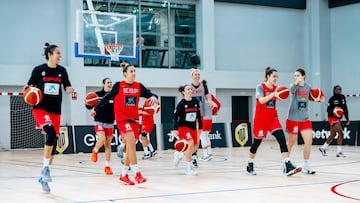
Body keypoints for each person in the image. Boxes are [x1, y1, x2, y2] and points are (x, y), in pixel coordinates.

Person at [91, 62, 158, 185]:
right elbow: (106, 97)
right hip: (122, 119)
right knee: (131, 141)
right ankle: (137, 173)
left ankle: (123, 174)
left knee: (129, 148)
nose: (133, 73)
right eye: (131, 71)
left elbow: (150, 95)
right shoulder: (119, 85)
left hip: (135, 120)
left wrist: (154, 97)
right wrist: (95, 109)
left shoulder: (139, 86)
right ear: (125, 74)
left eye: (134, 71)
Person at [26, 43, 74, 193]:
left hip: (55, 110)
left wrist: (69, 89)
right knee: (51, 133)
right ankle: (46, 168)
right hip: (40, 108)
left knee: (52, 142)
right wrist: (29, 92)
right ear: (50, 54)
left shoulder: (62, 71)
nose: (60, 56)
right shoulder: (38, 70)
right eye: (58, 53)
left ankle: (43, 175)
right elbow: (28, 87)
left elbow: (67, 86)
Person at [246, 67, 301, 176]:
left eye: (277, 77)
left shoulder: (277, 88)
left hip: (273, 118)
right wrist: (273, 95)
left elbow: (284, 94)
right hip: (261, 119)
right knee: (256, 143)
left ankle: (287, 164)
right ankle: (249, 163)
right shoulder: (260, 87)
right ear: (268, 76)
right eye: (274, 76)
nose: (276, 78)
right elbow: (261, 101)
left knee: (281, 138)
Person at [286, 68, 324, 175]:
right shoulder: (293, 86)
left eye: (298, 75)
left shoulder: (308, 87)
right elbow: (291, 90)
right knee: (291, 143)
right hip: (293, 119)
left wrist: (319, 99)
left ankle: (306, 166)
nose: (296, 77)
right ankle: (285, 162)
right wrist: (295, 83)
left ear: (303, 76)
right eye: (294, 76)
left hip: (305, 119)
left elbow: (311, 97)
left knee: (309, 142)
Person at [172, 85, 202, 176]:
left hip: (193, 127)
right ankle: (189, 169)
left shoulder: (196, 101)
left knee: (194, 148)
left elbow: (198, 116)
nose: (190, 91)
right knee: (190, 142)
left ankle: (179, 153)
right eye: (188, 89)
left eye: (191, 89)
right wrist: (175, 128)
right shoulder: (181, 104)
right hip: (183, 127)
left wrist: (200, 127)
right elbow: (175, 117)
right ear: (184, 92)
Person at [86, 78, 115, 175]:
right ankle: (95, 150)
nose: (110, 84)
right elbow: (89, 105)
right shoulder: (97, 95)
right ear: (103, 84)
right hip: (99, 121)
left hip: (110, 122)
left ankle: (107, 166)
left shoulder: (114, 95)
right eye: (108, 82)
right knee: (102, 139)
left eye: (111, 82)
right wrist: (88, 104)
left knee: (108, 145)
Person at [319, 85, 350, 157]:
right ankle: (339, 152)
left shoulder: (343, 97)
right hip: (332, 118)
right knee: (340, 133)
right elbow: (328, 110)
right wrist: (334, 111)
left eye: (340, 89)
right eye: (338, 89)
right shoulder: (332, 99)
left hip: (338, 119)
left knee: (333, 135)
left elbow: (345, 108)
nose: (339, 91)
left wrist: (347, 118)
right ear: (334, 90)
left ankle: (323, 148)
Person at [190, 69, 212, 167]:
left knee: (199, 136)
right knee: (194, 136)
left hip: (201, 114)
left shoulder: (203, 86)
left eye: (199, 74)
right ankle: (191, 155)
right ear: (192, 76)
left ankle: (195, 156)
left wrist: (209, 101)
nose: (197, 76)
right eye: (196, 74)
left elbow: (207, 96)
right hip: (191, 115)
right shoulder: (189, 87)